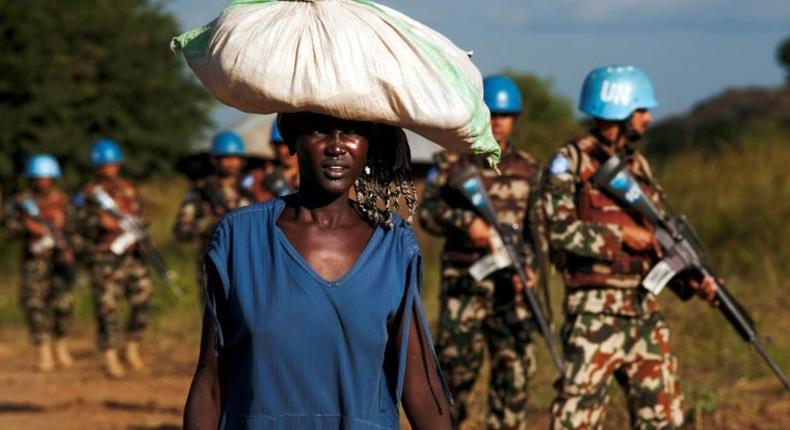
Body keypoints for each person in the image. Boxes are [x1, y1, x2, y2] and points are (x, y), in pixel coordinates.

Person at [184, 112, 452, 429]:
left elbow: (420, 382)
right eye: (318, 131)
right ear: (292, 142)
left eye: (352, 131)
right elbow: (211, 380)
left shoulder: (393, 246)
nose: (336, 146)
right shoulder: (240, 239)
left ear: (368, 144)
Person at [544, 65, 717, 429]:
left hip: (643, 310)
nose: (649, 118)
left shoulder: (638, 166)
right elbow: (558, 231)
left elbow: (657, 242)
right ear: (619, 110)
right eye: (642, 110)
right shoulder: (570, 162)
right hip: (594, 313)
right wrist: (619, 237)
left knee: (665, 418)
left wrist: (690, 280)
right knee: (576, 420)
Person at [418, 75, 542, 429]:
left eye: (506, 115)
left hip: (512, 290)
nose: (498, 121)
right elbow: (427, 213)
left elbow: (537, 232)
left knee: (514, 375)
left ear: (515, 118)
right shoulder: (450, 164)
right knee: (454, 377)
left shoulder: (529, 169)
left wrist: (531, 270)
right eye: (492, 113)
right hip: (465, 287)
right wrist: (465, 223)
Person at [76, 139, 154, 378]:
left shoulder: (129, 189)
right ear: (97, 167)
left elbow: (142, 216)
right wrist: (98, 223)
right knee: (107, 307)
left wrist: (141, 236)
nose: (110, 168)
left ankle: (131, 347)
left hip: (131, 256)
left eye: (113, 163)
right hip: (104, 258)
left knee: (145, 296)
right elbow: (76, 224)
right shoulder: (88, 195)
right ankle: (110, 355)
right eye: (105, 164)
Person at [3, 154, 76, 371]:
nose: (42, 182)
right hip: (34, 263)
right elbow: (8, 231)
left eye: (46, 177)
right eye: (38, 178)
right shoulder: (21, 203)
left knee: (64, 305)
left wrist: (70, 250)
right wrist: (27, 226)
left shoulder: (63, 202)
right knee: (34, 305)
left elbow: (75, 230)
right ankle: (44, 350)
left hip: (59, 262)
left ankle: (60, 344)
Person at [173, 130, 256, 294]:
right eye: (226, 158)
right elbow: (181, 231)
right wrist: (211, 224)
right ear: (215, 160)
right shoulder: (200, 190)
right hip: (214, 264)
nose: (231, 163)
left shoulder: (252, 188)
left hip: (250, 263)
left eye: (235, 157)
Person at [245, 121, 300, 202]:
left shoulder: (314, 171)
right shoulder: (261, 177)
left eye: (292, 143)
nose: (289, 151)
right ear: (273, 146)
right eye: (283, 145)